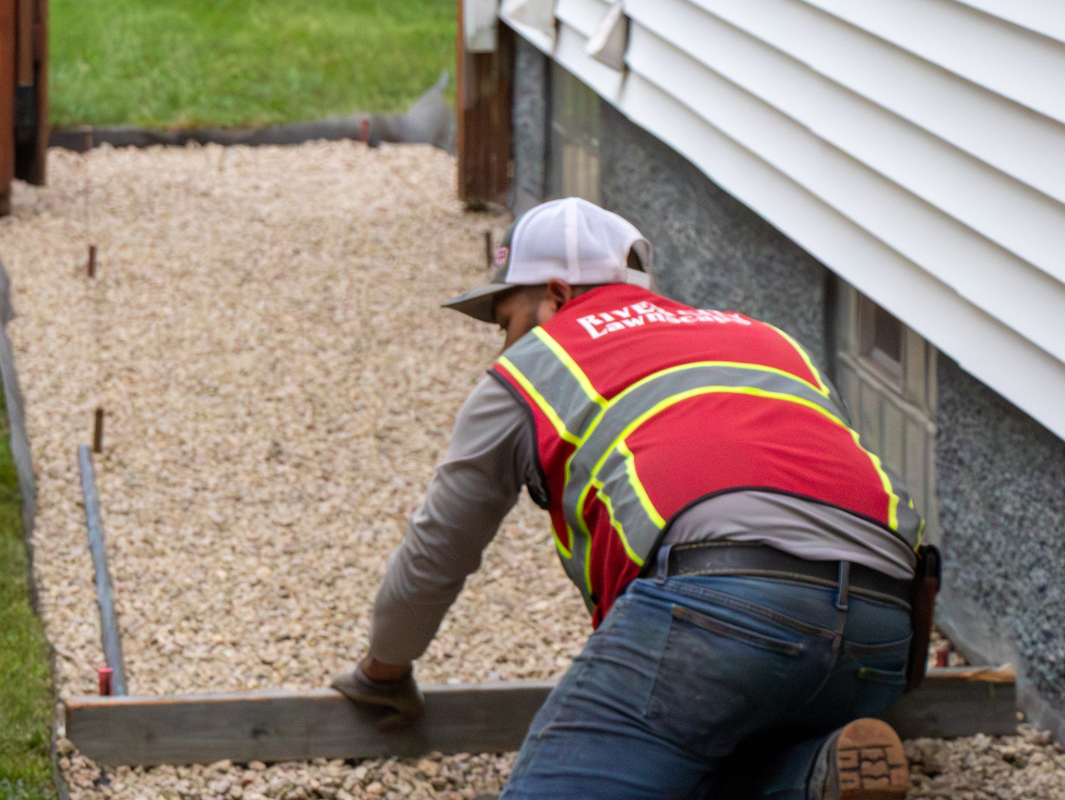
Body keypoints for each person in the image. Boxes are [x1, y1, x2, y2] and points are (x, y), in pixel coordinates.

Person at [333, 198, 926, 800]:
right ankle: (809, 777)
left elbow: (440, 546)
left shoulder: (537, 365)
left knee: (647, 746)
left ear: (557, 296)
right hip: (884, 627)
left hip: (721, 612)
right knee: (697, 749)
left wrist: (385, 670)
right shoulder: (764, 337)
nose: (505, 344)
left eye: (508, 321)